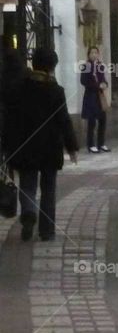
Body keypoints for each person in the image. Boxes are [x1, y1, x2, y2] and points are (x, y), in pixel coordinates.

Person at [3, 46, 78, 242]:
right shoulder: (56, 91)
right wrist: (71, 147)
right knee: (49, 188)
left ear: (33, 63)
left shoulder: (18, 88)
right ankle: (47, 231)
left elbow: (10, 119)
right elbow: (64, 121)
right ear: (52, 66)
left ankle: (28, 211)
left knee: (27, 184)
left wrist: (8, 145)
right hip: (50, 147)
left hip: (25, 146)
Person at [80, 46, 111, 153]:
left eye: (96, 53)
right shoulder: (85, 66)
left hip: (100, 96)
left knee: (103, 119)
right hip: (91, 96)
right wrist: (97, 86)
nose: (94, 55)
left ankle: (101, 143)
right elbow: (84, 82)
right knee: (92, 120)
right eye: (92, 53)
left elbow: (103, 78)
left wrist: (104, 84)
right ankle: (91, 144)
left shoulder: (100, 66)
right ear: (88, 54)